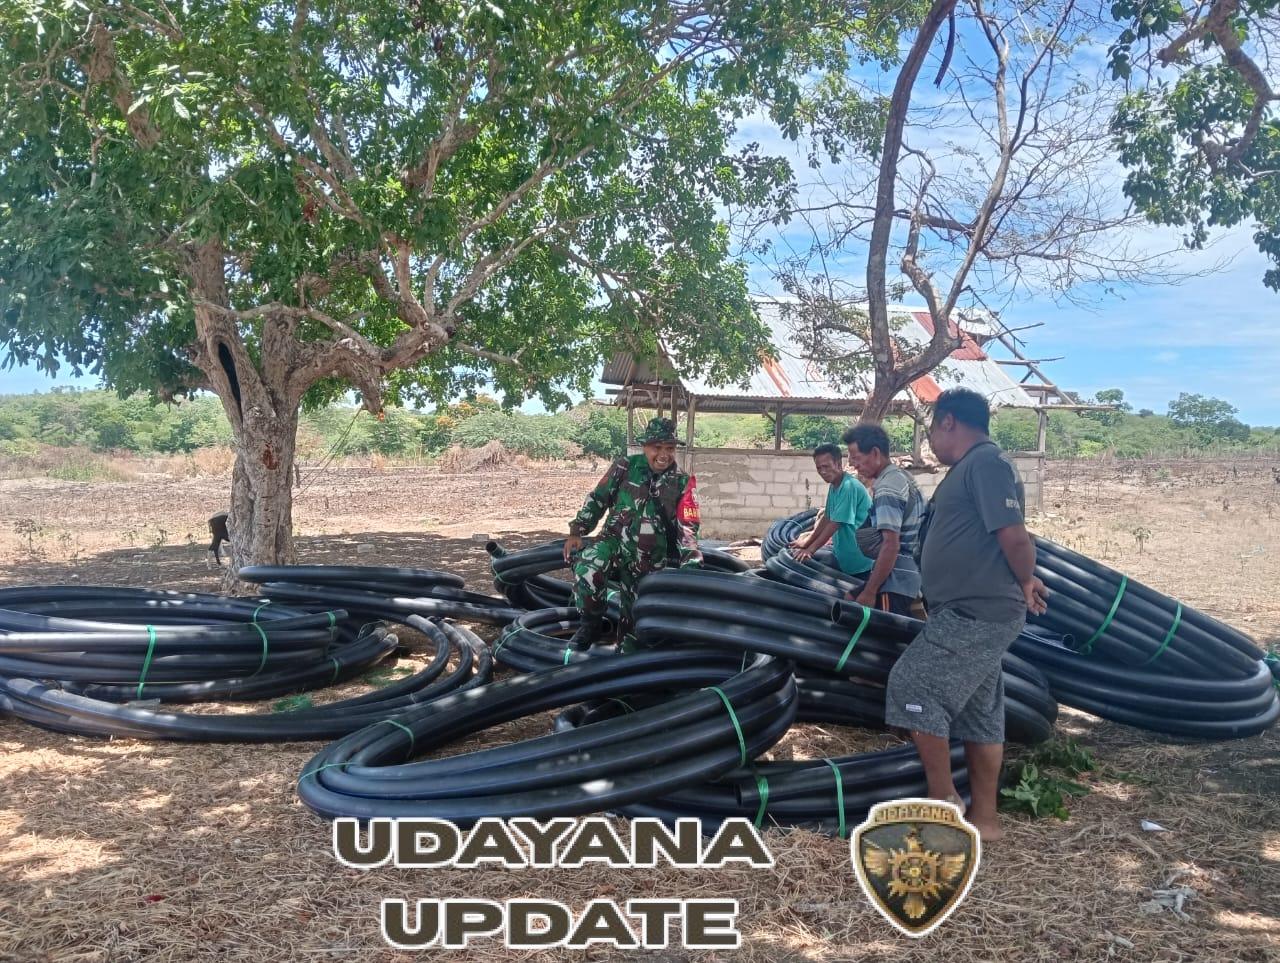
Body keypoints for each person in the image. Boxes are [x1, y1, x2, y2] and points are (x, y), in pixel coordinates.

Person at [883, 387, 1049, 841]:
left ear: (949, 421)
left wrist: (1025, 577)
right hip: (965, 608)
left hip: (978, 611)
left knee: (912, 684)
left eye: (932, 430)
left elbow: (1014, 536)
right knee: (980, 713)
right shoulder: (969, 469)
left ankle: (944, 799)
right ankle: (986, 820)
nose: (930, 442)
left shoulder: (986, 463)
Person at [562, 417, 702, 649]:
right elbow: (599, 498)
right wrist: (577, 530)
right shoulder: (625, 466)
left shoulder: (683, 482)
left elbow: (687, 527)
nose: (663, 454)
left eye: (669, 448)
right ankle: (591, 623)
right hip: (613, 542)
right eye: (657, 448)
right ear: (645, 447)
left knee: (635, 628)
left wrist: (691, 565)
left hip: (650, 560)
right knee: (587, 565)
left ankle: (629, 666)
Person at [842, 423, 925, 617]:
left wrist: (871, 592)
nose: (854, 465)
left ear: (875, 453)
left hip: (897, 580)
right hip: (910, 573)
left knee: (881, 640)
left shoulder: (888, 488)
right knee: (850, 597)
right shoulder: (901, 477)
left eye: (856, 458)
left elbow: (891, 545)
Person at [790, 443, 874, 578]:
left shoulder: (848, 487)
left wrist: (810, 550)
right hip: (845, 556)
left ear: (838, 464)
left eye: (826, 466)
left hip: (861, 561)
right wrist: (807, 541)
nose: (823, 471)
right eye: (819, 468)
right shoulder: (835, 486)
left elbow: (835, 523)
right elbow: (827, 517)